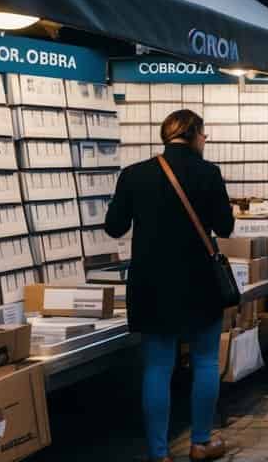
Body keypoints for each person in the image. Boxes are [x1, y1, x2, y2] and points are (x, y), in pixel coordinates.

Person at [106, 110, 233, 462]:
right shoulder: (209, 174)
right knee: (206, 361)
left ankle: (160, 454)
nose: (205, 141)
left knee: (157, 367)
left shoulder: (134, 174)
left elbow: (114, 227)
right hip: (199, 283)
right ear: (193, 134)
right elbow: (224, 227)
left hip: (151, 284)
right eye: (204, 135)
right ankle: (200, 442)